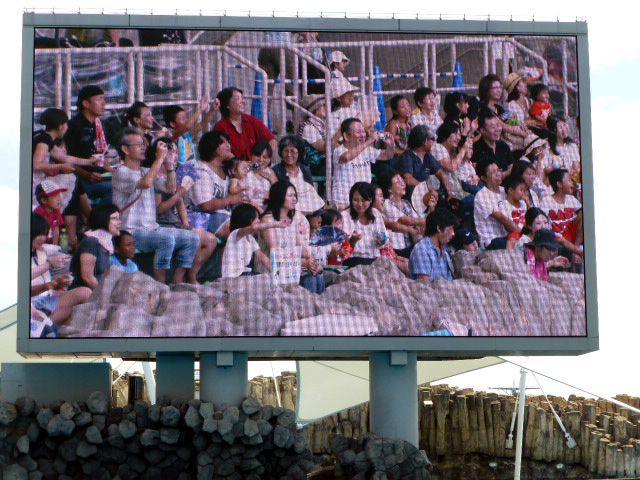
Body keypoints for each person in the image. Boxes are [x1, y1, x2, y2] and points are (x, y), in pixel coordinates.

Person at [112, 130, 199, 284]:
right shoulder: (121, 172)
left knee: (191, 238)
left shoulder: (146, 171)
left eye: (144, 144)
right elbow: (146, 183)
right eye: (138, 144)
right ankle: (161, 285)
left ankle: (177, 281)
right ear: (125, 149)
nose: (143, 147)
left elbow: (170, 188)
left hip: (152, 228)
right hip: (132, 231)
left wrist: (170, 165)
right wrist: (159, 158)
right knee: (166, 240)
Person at [150, 138, 217, 284]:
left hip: (177, 223)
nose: (175, 156)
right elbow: (159, 209)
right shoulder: (154, 176)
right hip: (162, 224)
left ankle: (191, 276)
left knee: (211, 240)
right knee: (195, 240)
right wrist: (180, 193)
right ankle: (178, 280)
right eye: (171, 152)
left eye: (176, 152)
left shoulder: (172, 174)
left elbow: (180, 204)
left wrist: (186, 224)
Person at [259, 181, 325, 294]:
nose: (294, 199)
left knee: (319, 277)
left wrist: (312, 262)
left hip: (290, 269)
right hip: (272, 272)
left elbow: (302, 248)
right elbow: (276, 254)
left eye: (295, 195)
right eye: (290, 195)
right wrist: (304, 263)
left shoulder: (290, 220)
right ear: (279, 196)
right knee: (310, 281)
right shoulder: (267, 221)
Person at [31, 213, 90, 326]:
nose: (42, 238)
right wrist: (49, 269)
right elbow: (24, 290)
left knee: (85, 297)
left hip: (46, 300)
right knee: (84, 293)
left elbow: (47, 291)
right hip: (34, 307)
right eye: (39, 234)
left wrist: (58, 282)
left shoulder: (41, 253)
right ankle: (45, 331)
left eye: (44, 234)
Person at [187, 130, 247, 239]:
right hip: (209, 218)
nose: (229, 145)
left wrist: (234, 161)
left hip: (227, 215)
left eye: (228, 142)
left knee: (257, 228)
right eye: (224, 142)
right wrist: (231, 200)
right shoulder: (201, 170)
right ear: (213, 147)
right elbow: (206, 205)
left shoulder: (226, 170)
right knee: (244, 235)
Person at [64, 85, 114, 204]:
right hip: (78, 180)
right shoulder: (73, 126)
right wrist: (86, 174)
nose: (103, 103)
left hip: (99, 176)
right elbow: (62, 159)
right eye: (99, 99)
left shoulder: (99, 126)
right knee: (116, 190)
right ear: (86, 104)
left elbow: (101, 156)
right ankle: (101, 220)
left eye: (104, 99)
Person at [331, 118, 394, 209]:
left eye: (363, 131)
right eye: (358, 132)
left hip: (364, 202)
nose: (363, 135)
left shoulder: (366, 150)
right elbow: (346, 157)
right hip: (343, 203)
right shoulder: (339, 150)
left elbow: (387, 156)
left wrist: (391, 144)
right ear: (346, 136)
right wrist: (369, 141)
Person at [221, 204, 288, 278]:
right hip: (233, 278)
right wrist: (277, 224)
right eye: (257, 218)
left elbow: (264, 259)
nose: (259, 221)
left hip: (244, 275)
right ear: (249, 219)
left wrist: (280, 273)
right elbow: (253, 227)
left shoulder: (251, 239)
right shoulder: (236, 234)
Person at [213, 87, 276, 160]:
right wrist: (240, 164)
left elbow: (272, 140)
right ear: (227, 105)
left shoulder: (253, 120)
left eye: (243, 98)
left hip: (256, 168)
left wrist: (265, 159)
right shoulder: (220, 127)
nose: (243, 101)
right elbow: (223, 152)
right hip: (234, 169)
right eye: (238, 98)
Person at [69, 204, 121, 289]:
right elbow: (87, 277)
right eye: (115, 218)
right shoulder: (91, 242)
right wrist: (106, 296)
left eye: (119, 218)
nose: (120, 222)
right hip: (84, 295)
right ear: (103, 219)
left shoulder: (106, 242)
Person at [396, 124, 454, 200]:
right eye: (432, 139)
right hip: (412, 198)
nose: (434, 142)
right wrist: (428, 189)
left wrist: (450, 194)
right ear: (426, 141)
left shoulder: (427, 156)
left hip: (425, 196)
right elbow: (408, 179)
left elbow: (441, 174)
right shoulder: (407, 157)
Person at [473, 160, 521, 250]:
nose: (498, 174)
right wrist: (523, 233)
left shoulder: (505, 191)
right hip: (492, 241)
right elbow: (503, 219)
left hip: (509, 236)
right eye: (493, 172)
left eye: (499, 170)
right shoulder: (482, 195)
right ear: (484, 178)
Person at [377, 170, 425, 259]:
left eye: (403, 181)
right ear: (389, 188)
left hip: (412, 247)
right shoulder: (386, 204)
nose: (403, 184)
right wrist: (432, 219)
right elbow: (408, 221)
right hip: (398, 250)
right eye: (398, 182)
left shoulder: (406, 203)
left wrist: (431, 207)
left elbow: (419, 223)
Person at [340, 182, 389, 268]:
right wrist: (353, 240)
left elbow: (383, 243)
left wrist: (381, 240)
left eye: (363, 200)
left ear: (370, 200)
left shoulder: (376, 214)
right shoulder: (344, 216)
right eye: (355, 200)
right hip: (353, 261)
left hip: (374, 259)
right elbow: (343, 250)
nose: (359, 204)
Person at [273, 135, 325, 215]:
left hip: (310, 209)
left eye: (292, 151)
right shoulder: (277, 170)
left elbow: (312, 193)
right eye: (286, 151)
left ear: (299, 153)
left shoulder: (305, 170)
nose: (289, 155)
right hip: (289, 212)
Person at [163, 97, 220, 165]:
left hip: (192, 168)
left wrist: (212, 110)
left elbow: (203, 123)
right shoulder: (173, 134)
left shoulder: (187, 133)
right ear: (172, 124)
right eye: (183, 119)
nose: (187, 120)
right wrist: (200, 110)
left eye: (186, 117)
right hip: (180, 169)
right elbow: (187, 126)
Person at [409, 208, 459, 282]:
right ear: (439, 228)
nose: (453, 233)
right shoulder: (422, 250)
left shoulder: (445, 253)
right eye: (451, 229)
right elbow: (424, 286)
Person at [298, 95, 341, 177]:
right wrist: (340, 132)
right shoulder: (309, 127)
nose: (326, 108)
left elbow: (335, 145)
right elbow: (325, 149)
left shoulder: (321, 125)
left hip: (324, 162)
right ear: (315, 109)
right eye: (323, 105)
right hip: (314, 166)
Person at [477, 74, 528, 142]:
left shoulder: (499, 108)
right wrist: (523, 134)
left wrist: (522, 127)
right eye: (495, 88)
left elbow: (512, 122)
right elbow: (503, 126)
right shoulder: (483, 108)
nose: (499, 90)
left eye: (500, 87)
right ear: (486, 89)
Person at [540, 168, 583, 248]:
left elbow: (582, 214)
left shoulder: (571, 199)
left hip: (571, 236)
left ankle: (576, 247)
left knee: (583, 214)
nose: (572, 183)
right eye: (569, 180)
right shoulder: (546, 201)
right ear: (560, 184)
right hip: (556, 240)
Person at [472, 112, 515, 178]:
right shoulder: (476, 149)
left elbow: (511, 166)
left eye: (498, 125)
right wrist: (505, 174)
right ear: (483, 130)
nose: (497, 129)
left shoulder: (503, 145)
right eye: (493, 127)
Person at [243, 141, 278, 208]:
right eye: (257, 155)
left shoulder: (270, 172)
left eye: (264, 157)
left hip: (267, 208)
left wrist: (272, 181)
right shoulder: (245, 169)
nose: (261, 159)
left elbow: (278, 192)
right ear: (252, 155)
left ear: (269, 159)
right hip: (248, 207)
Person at [34, 180, 67, 245]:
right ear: (43, 200)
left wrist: (54, 246)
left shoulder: (57, 210)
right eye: (55, 196)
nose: (59, 199)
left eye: (59, 195)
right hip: (39, 244)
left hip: (49, 243)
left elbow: (56, 229)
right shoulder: (38, 213)